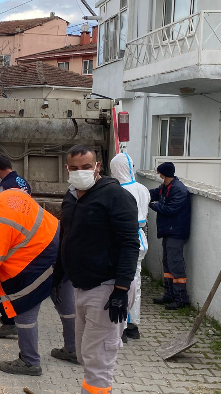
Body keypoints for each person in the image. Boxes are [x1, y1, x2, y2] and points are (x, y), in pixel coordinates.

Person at [55, 145, 139, 394]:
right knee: (84, 354)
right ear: (67, 169)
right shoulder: (71, 196)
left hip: (107, 288)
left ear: (97, 167)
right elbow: (65, 236)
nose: (80, 172)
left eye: (86, 167)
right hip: (82, 287)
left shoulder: (116, 196)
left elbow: (129, 244)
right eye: (75, 168)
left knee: (98, 361)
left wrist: (121, 290)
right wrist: (58, 274)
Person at [0, 190, 62, 376]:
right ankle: (73, 349)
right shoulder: (9, 194)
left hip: (39, 258)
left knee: (24, 307)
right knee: (66, 306)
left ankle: (30, 362)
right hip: (60, 243)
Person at [110, 153, 151, 340]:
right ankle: (133, 325)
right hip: (140, 239)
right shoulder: (143, 189)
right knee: (136, 283)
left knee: (123, 282)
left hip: (124, 241)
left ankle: (122, 326)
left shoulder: (119, 191)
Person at [149, 162, 192, 310]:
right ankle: (169, 294)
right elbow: (153, 193)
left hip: (176, 232)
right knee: (167, 263)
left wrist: (151, 204)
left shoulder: (178, 190)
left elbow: (170, 209)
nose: (158, 175)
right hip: (169, 231)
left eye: (159, 172)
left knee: (175, 264)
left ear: (164, 174)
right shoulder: (166, 187)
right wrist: (141, 193)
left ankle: (181, 299)